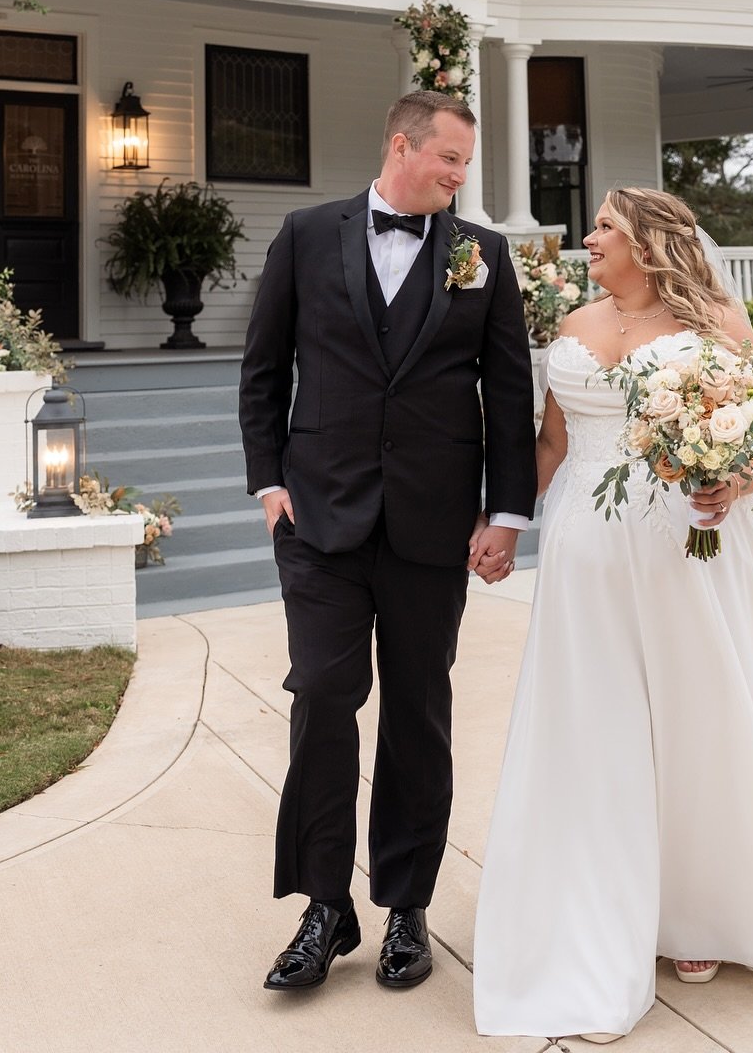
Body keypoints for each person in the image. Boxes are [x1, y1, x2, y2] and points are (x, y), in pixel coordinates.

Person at [472, 187, 753, 1043]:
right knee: (597, 723)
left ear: (648, 241)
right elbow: (554, 446)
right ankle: (597, 891)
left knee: (696, 716)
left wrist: (733, 483)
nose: (589, 239)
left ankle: (702, 909)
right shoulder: (571, 326)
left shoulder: (713, 317)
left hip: (688, 545)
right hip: (584, 557)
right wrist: (503, 525)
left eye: (605, 227)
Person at [239, 89, 536, 996]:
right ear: (402, 146)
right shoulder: (304, 234)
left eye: (465, 166)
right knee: (323, 697)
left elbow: (509, 393)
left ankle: (407, 907)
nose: (458, 177)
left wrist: (507, 514)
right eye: (448, 160)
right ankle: (325, 909)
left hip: (431, 523)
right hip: (319, 519)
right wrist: (270, 481)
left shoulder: (481, 257)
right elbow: (264, 365)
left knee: (418, 713)